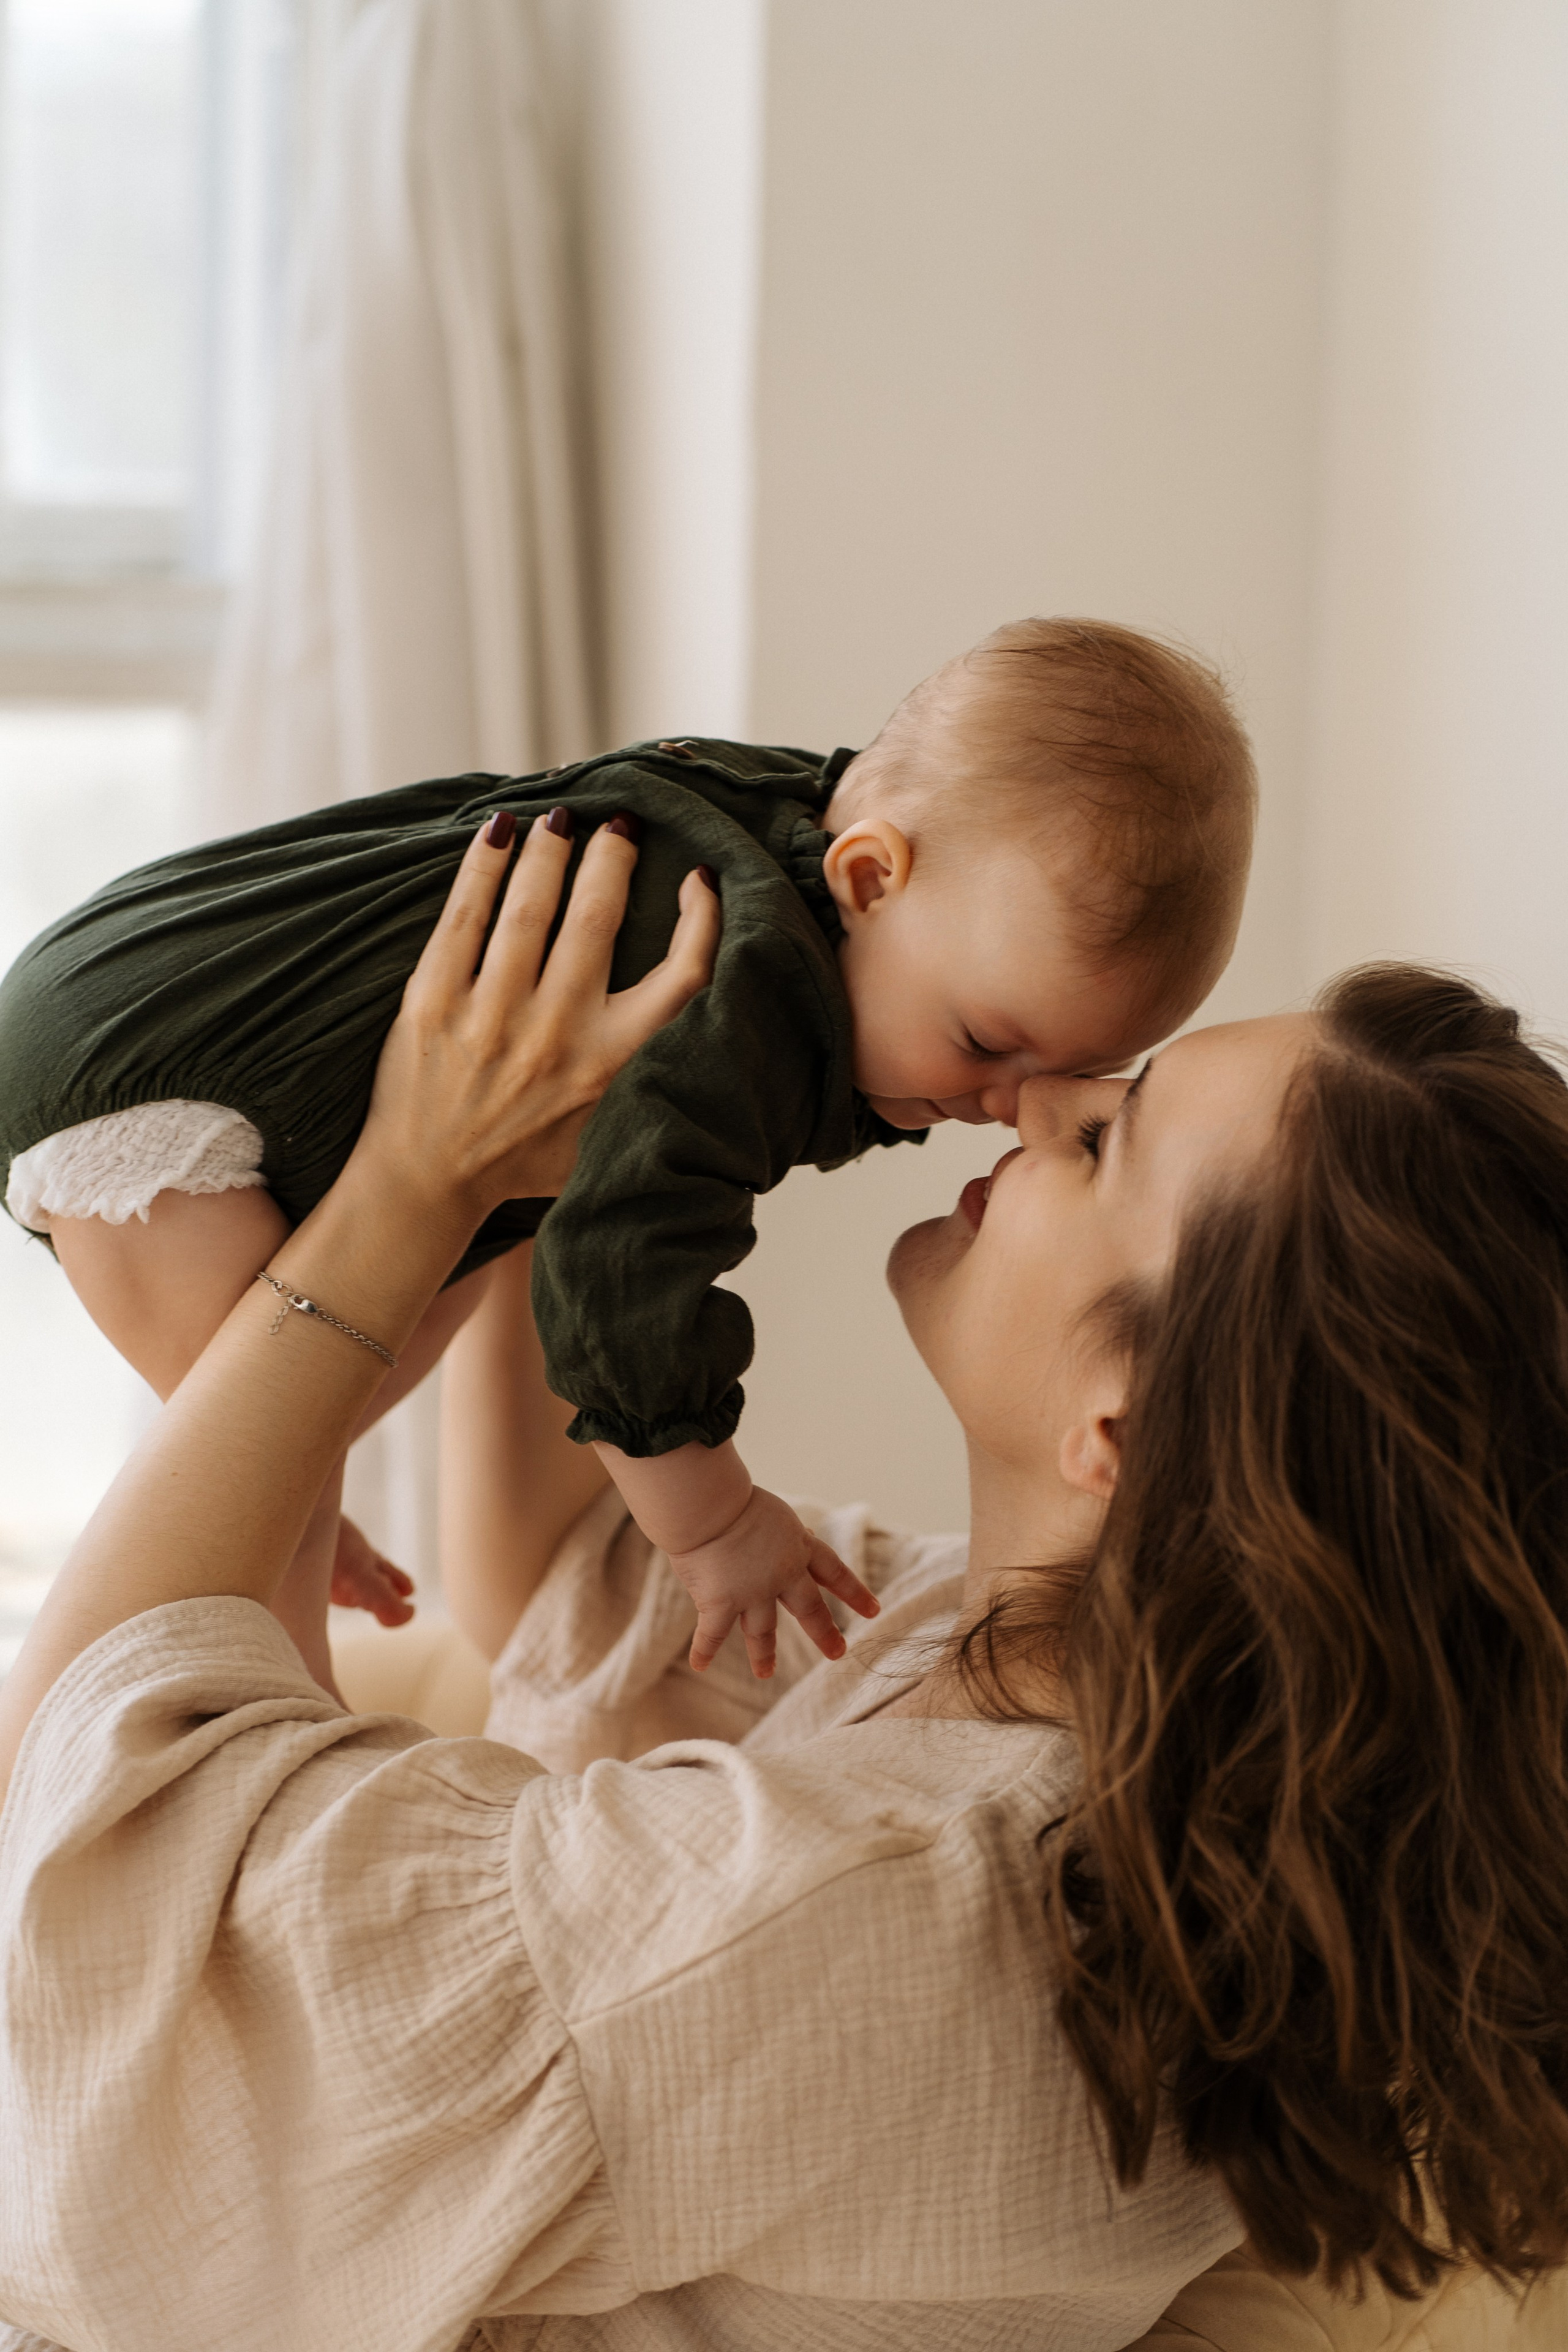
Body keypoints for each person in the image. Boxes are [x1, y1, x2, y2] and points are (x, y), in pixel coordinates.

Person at [6, 821, 1566, 2351]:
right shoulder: (1122, 1719)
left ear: (1127, 1420)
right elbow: (555, 1567)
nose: (1035, 1099)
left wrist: (404, 1196)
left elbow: (78, 1852)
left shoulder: (879, 1910)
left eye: (1104, 1139)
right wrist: (585, 1158)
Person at [0, 618, 1254, 1695]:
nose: (1006, 1111)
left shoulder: (809, 836)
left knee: (332, 1375)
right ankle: (292, 1719)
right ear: (867, 877)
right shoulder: (741, 995)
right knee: (260, 1560)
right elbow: (617, 1279)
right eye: (987, 1045)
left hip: (128, 992)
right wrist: (712, 1525)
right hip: (165, 1085)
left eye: (1080, 1086)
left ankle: (282, 1519)